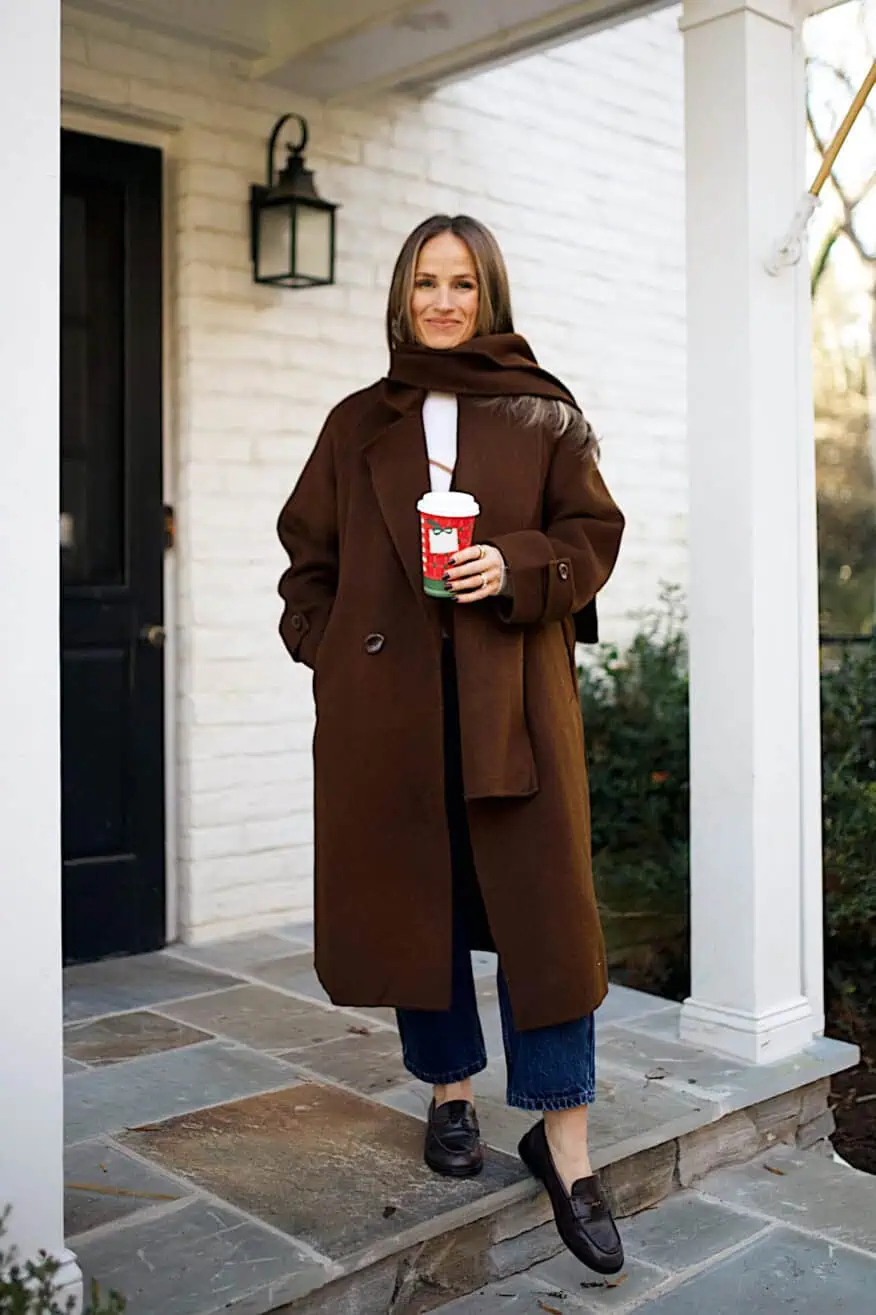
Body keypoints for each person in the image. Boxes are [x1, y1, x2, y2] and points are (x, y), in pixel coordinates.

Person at [277, 214, 626, 1273]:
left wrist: (514, 569)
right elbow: (307, 563)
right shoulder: (354, 425)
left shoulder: (545, 412)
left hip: (511, 707)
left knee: (545, 926)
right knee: (413, 907)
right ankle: (451, 1095)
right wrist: (330, 651)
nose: (442, 300)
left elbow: (593, 540)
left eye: (462, 283)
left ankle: (565, 1143)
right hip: (389, 720)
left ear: (490, 296)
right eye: (425, 281)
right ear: (401, 295)